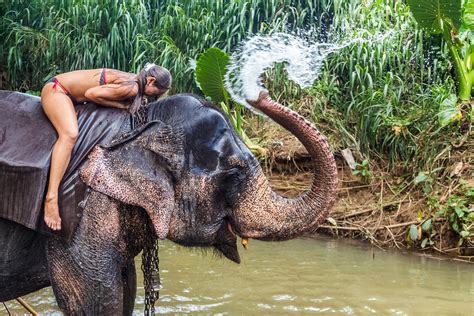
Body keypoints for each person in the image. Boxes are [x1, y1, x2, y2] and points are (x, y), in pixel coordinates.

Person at [40, 63, 172, 231]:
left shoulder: (134, 81)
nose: (156, 97)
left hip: (68, 93)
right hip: (57, 90)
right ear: (151, 81)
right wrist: (122, 106)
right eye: (158, 93)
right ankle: (50, 198)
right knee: (70, 135)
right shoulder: (131, 87)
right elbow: (91, 93)